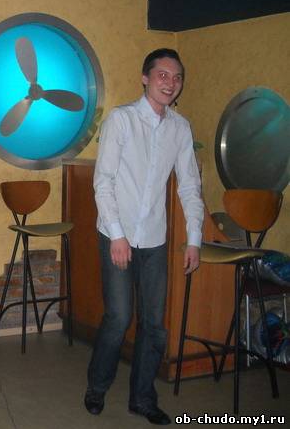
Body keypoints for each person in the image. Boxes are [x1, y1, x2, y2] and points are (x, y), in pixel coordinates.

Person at [84, 48, 204, 425]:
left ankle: (142, 398)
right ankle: (97, 387)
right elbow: (103, 181)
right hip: (116, 234)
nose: (170, 83)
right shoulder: (121, 120)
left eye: (177, 77)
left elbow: (189, 186)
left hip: (153, 238)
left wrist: (195, 238)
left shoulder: (180, 128)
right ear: (145, 78)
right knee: (119, 317)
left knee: (154, 324)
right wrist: (117, 235)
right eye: (163, 75)